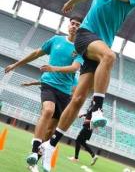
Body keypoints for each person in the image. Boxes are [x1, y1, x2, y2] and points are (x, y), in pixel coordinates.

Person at [40, 0, 135, 172]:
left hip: (100, 42)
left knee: (78, 98)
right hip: (86, 35)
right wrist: (73, 0)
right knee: (109, 56)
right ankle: (98, 108)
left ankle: (50, 145)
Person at [4, 17, 83, 171]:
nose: (74, 26)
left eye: (78, 25)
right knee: (47, 110)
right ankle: (34, 151)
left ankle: (33, 162)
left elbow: (74, 68)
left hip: (65, 92)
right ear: (69, 25)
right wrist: (16, 64)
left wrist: (54, 68)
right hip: (49, 84)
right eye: (72, 23)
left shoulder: (80, 49)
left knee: (50, 131)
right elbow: (36, 53)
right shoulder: (56, 40)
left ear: (80, 29)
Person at [68, 100, 98, 166]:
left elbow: (96, 119)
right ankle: (93, 155)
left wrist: (88, 121)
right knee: (82, 142)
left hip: (87, 128)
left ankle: (76, 158)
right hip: (87, 128)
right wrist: (83, 115)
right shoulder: (92, 105)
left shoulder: (96, 107)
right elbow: (88, 114)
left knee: (78, 140)